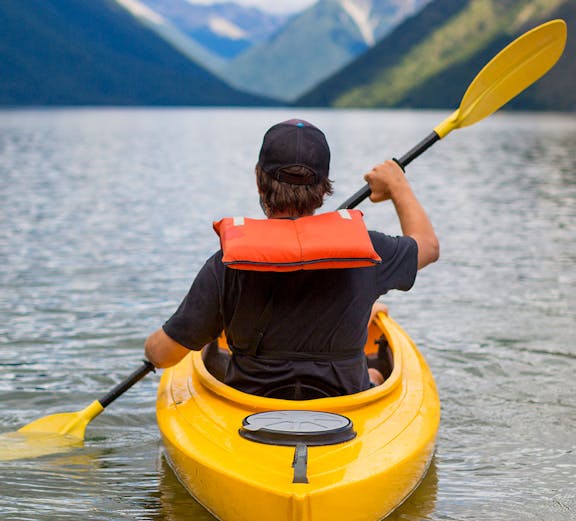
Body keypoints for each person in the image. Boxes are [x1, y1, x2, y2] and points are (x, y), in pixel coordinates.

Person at [144, 119, 439, 397]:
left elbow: (162, 355)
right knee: (373, 375)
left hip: (252, 410)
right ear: (324, 189)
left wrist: (164, 341)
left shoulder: (227, 264)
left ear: (259, 181)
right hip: (344, 406)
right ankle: (372, 377)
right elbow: (427, 247)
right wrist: (397, 185)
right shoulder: (369, 250)